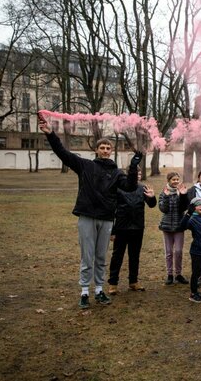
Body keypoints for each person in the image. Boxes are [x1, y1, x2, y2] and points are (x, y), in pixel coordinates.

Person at [37, 113, 140, 309]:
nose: (105, 150)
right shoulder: (85, 166)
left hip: (107, 219)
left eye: (108, 148)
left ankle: (99, 290)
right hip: (87, 216)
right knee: (87, 256)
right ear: (96, 149)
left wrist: (133, 167)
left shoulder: (116, 172)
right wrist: (50, 134)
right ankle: (85, 292)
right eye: (102, 147)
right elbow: (63, 153)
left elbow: (129, 187)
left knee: (101, 256)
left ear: (111, 151)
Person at [107, 168, 157, 295]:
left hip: (138, 228)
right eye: (135, 174)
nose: (138, 176)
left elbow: (151, 205)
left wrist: (152, 197)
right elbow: (112, 211)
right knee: (117, 256)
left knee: (134, 256)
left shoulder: (143, 188)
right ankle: (113, 284)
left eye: (140, 174)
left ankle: (133, 282)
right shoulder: (118, 189)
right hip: (121, 228)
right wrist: (113, 231)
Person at [158, 172, 189, 286]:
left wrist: (183, 195)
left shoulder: (181, 192)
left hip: (179, 226)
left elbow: (184, 208)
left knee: (178, 251)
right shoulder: (163, 193)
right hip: (166, 226)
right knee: (169, 252)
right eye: (173, 180)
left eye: (177, 179)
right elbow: (163, 209)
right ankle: (170, 275)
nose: (176, 181)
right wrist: (166, 197)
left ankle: (178, 274)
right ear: (169, 180)